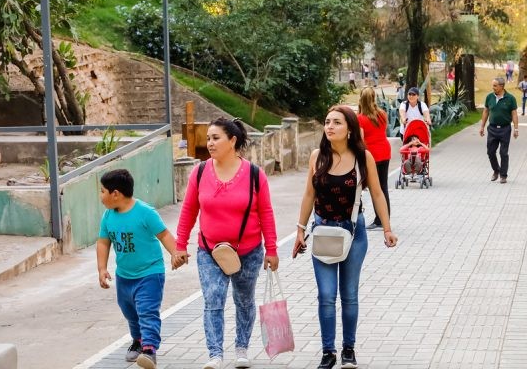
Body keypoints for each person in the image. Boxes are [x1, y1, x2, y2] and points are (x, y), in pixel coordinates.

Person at [292, 105, 398, 369]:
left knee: (349, 294)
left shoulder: (363, 157)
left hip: (354, 233)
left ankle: (348, 350)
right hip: (323, 232)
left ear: (349, 129)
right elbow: (309, 195)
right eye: (327, 122)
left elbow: (376, 193)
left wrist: (387, 228)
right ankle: (328, 352)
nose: (329, 126)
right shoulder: (317, 157)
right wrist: (299, 230)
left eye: (336, 122)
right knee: (326, 295)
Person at [176, 118, 279, 369]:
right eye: (208, 138)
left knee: (244, 300)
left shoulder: (255, 175)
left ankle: (242, 348)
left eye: (216, 138)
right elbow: (189, 210)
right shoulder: (199, 172)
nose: (210, 143)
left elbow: (266, 212)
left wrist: (272, 249)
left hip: (248, 251)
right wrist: (181, 244)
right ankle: (215, 353)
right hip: (209, 250)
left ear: (232, 141)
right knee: (213, 297)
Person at [96, 169, 188, 369]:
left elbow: (164, 235)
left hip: (150, 274)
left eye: (102, 191)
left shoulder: (145, 213)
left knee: (147, 311)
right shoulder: (107, 216)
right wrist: (102, 268)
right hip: (124, 276)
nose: (100, 196)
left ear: (115, 194)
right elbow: (103, 242)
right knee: (129, 311)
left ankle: (149, 349)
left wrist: (176, 253)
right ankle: (138, 340)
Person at [357, 87, 391, 231]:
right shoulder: (382, 114)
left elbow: (361, 139)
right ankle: (385, 218)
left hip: (372, 155)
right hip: (385, 150)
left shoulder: (360, 118)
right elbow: (384, 130)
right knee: (383, 186)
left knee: (374, 188)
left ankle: (378, 219)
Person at [479, 77, 519, 184]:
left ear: (502, 86)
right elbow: (486, 111)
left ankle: (503, 175)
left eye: (495, 86)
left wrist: (516, 128)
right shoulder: (489, 97)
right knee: (490, 152)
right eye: (493, 85)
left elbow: (514, 114)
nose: (493, 88)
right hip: (492, 128)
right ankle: (496, 170)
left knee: (503, 152)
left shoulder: (510, 98)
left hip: (505, 129)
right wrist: (482, 126)